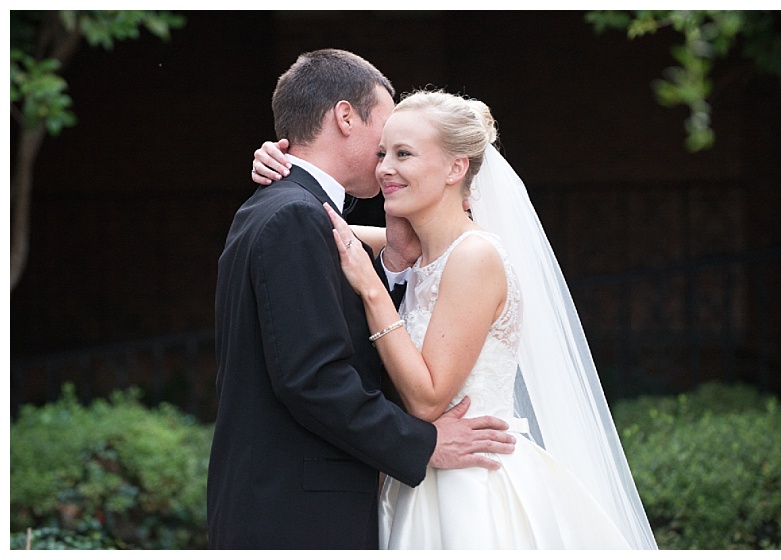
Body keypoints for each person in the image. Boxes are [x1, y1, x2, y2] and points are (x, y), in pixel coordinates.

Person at [253, 89, 657, 549]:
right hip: (420, 479)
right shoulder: (420, 251)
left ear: (456, 168)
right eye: (383, 153)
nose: (384, 167)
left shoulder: (475, 256)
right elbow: (312, 222)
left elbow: (427, 401)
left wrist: (371, 290)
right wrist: (284, 167)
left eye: (404, 154)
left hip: (472, 486)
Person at [210, 50, 516, 549]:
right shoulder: (296, 218)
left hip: (412, 496)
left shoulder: (299, 215)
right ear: (345, 116)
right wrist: (425, 444)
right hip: (295, 517)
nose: (387, 157)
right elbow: (312, 377)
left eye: (405, 151)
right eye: (387, 134)